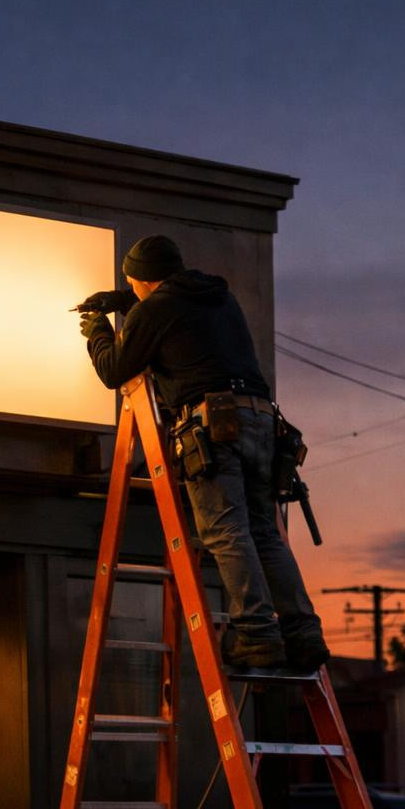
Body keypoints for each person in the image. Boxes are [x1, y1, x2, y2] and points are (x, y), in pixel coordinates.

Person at [79, 235, 329, 671]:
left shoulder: (153, 310)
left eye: (133, 285)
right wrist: (123, 300)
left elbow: (114, 369)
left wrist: (99, 331)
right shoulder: (219, 297)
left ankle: (255, 634)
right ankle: (302, 634)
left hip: (212, 422)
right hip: (261, 421)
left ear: (143, 281)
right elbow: (174, 306)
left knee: (226, 532)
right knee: (264, 532)